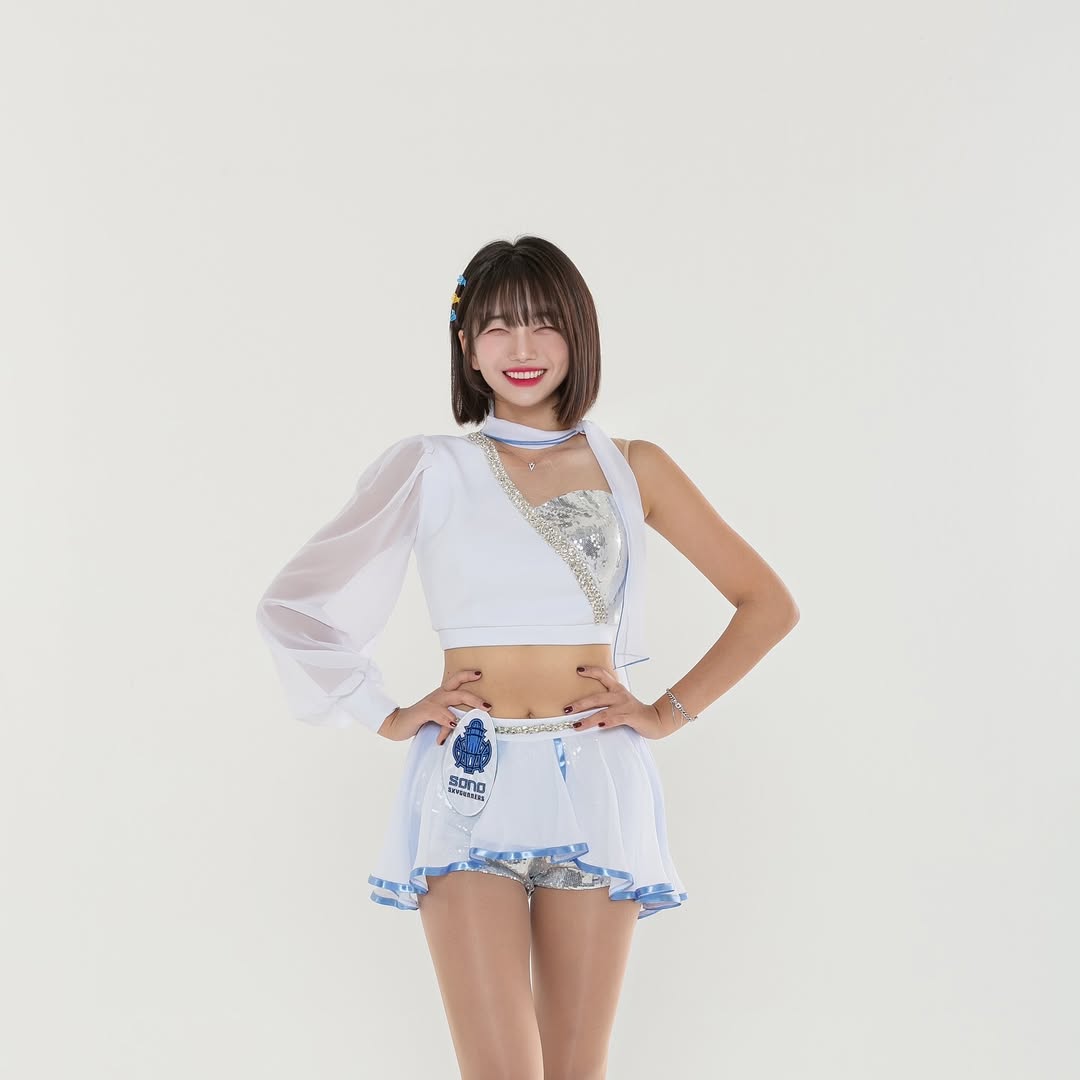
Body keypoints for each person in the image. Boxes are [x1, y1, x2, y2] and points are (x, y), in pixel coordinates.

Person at [254, 234, 799, 1079]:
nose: (522, 346)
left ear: (579, 334)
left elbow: (767, 604)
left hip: (597, 781)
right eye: (497, 326)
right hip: (468, 783)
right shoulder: (429, 467)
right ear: (467, 346)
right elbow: (292, 604)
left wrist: (665, 714)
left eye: (544, 323)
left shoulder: (635, 468)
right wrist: (386, 713)